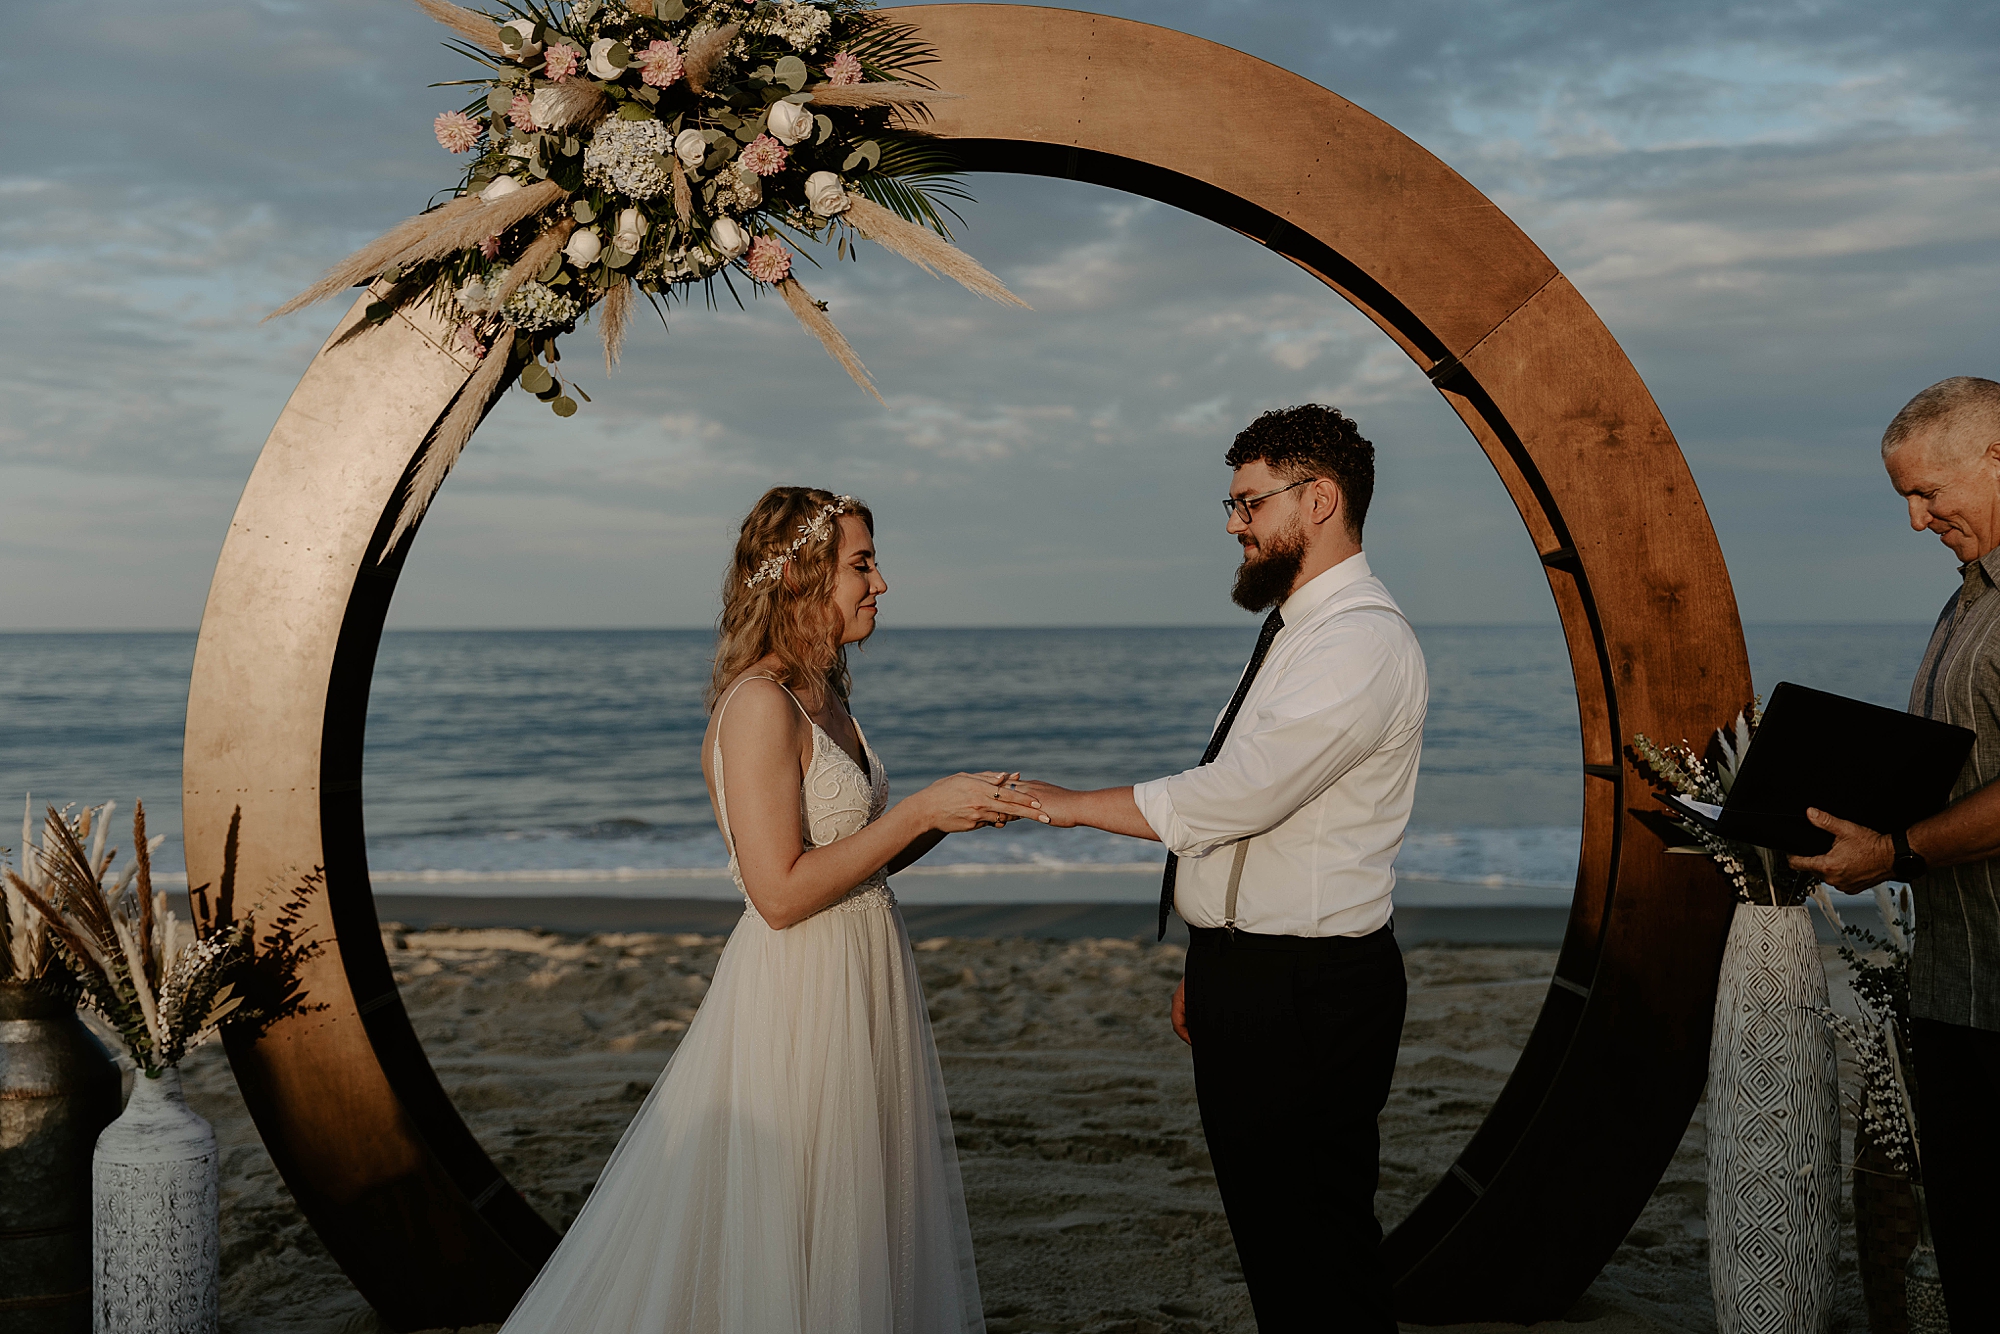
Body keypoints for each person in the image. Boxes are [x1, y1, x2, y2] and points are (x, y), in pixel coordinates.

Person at [495, 487, 1043, 1334]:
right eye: (862, 565)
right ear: (798, 577)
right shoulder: (759, 705)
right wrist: (916, 810)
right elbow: (779, 894)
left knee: (857, 1215)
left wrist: (950, 815)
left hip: (863, 969)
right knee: (795, 1218)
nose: (881, 584)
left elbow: (851, 860)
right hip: (801, 988)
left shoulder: (826, 695)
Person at [1018, 405, 1428, 1332]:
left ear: (1320, 500)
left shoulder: (1359, 641)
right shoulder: (1299, 632)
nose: (1235, 524)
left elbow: (1238, 797)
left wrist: (1067, 803)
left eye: (1251, 502)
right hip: (1255, 974)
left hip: (1309, 987)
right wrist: (1211, 956)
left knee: (1318, 1251)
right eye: (1233, 504)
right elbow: (1256, 824)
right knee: (1277, 1245)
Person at [1789, 375, 2000, 1330]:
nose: (1917, 521)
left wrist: (1897, 851)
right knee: (1971, 1250)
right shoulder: (1968, 603)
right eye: (1904, 499)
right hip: (1957, 985)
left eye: (1928, 492)